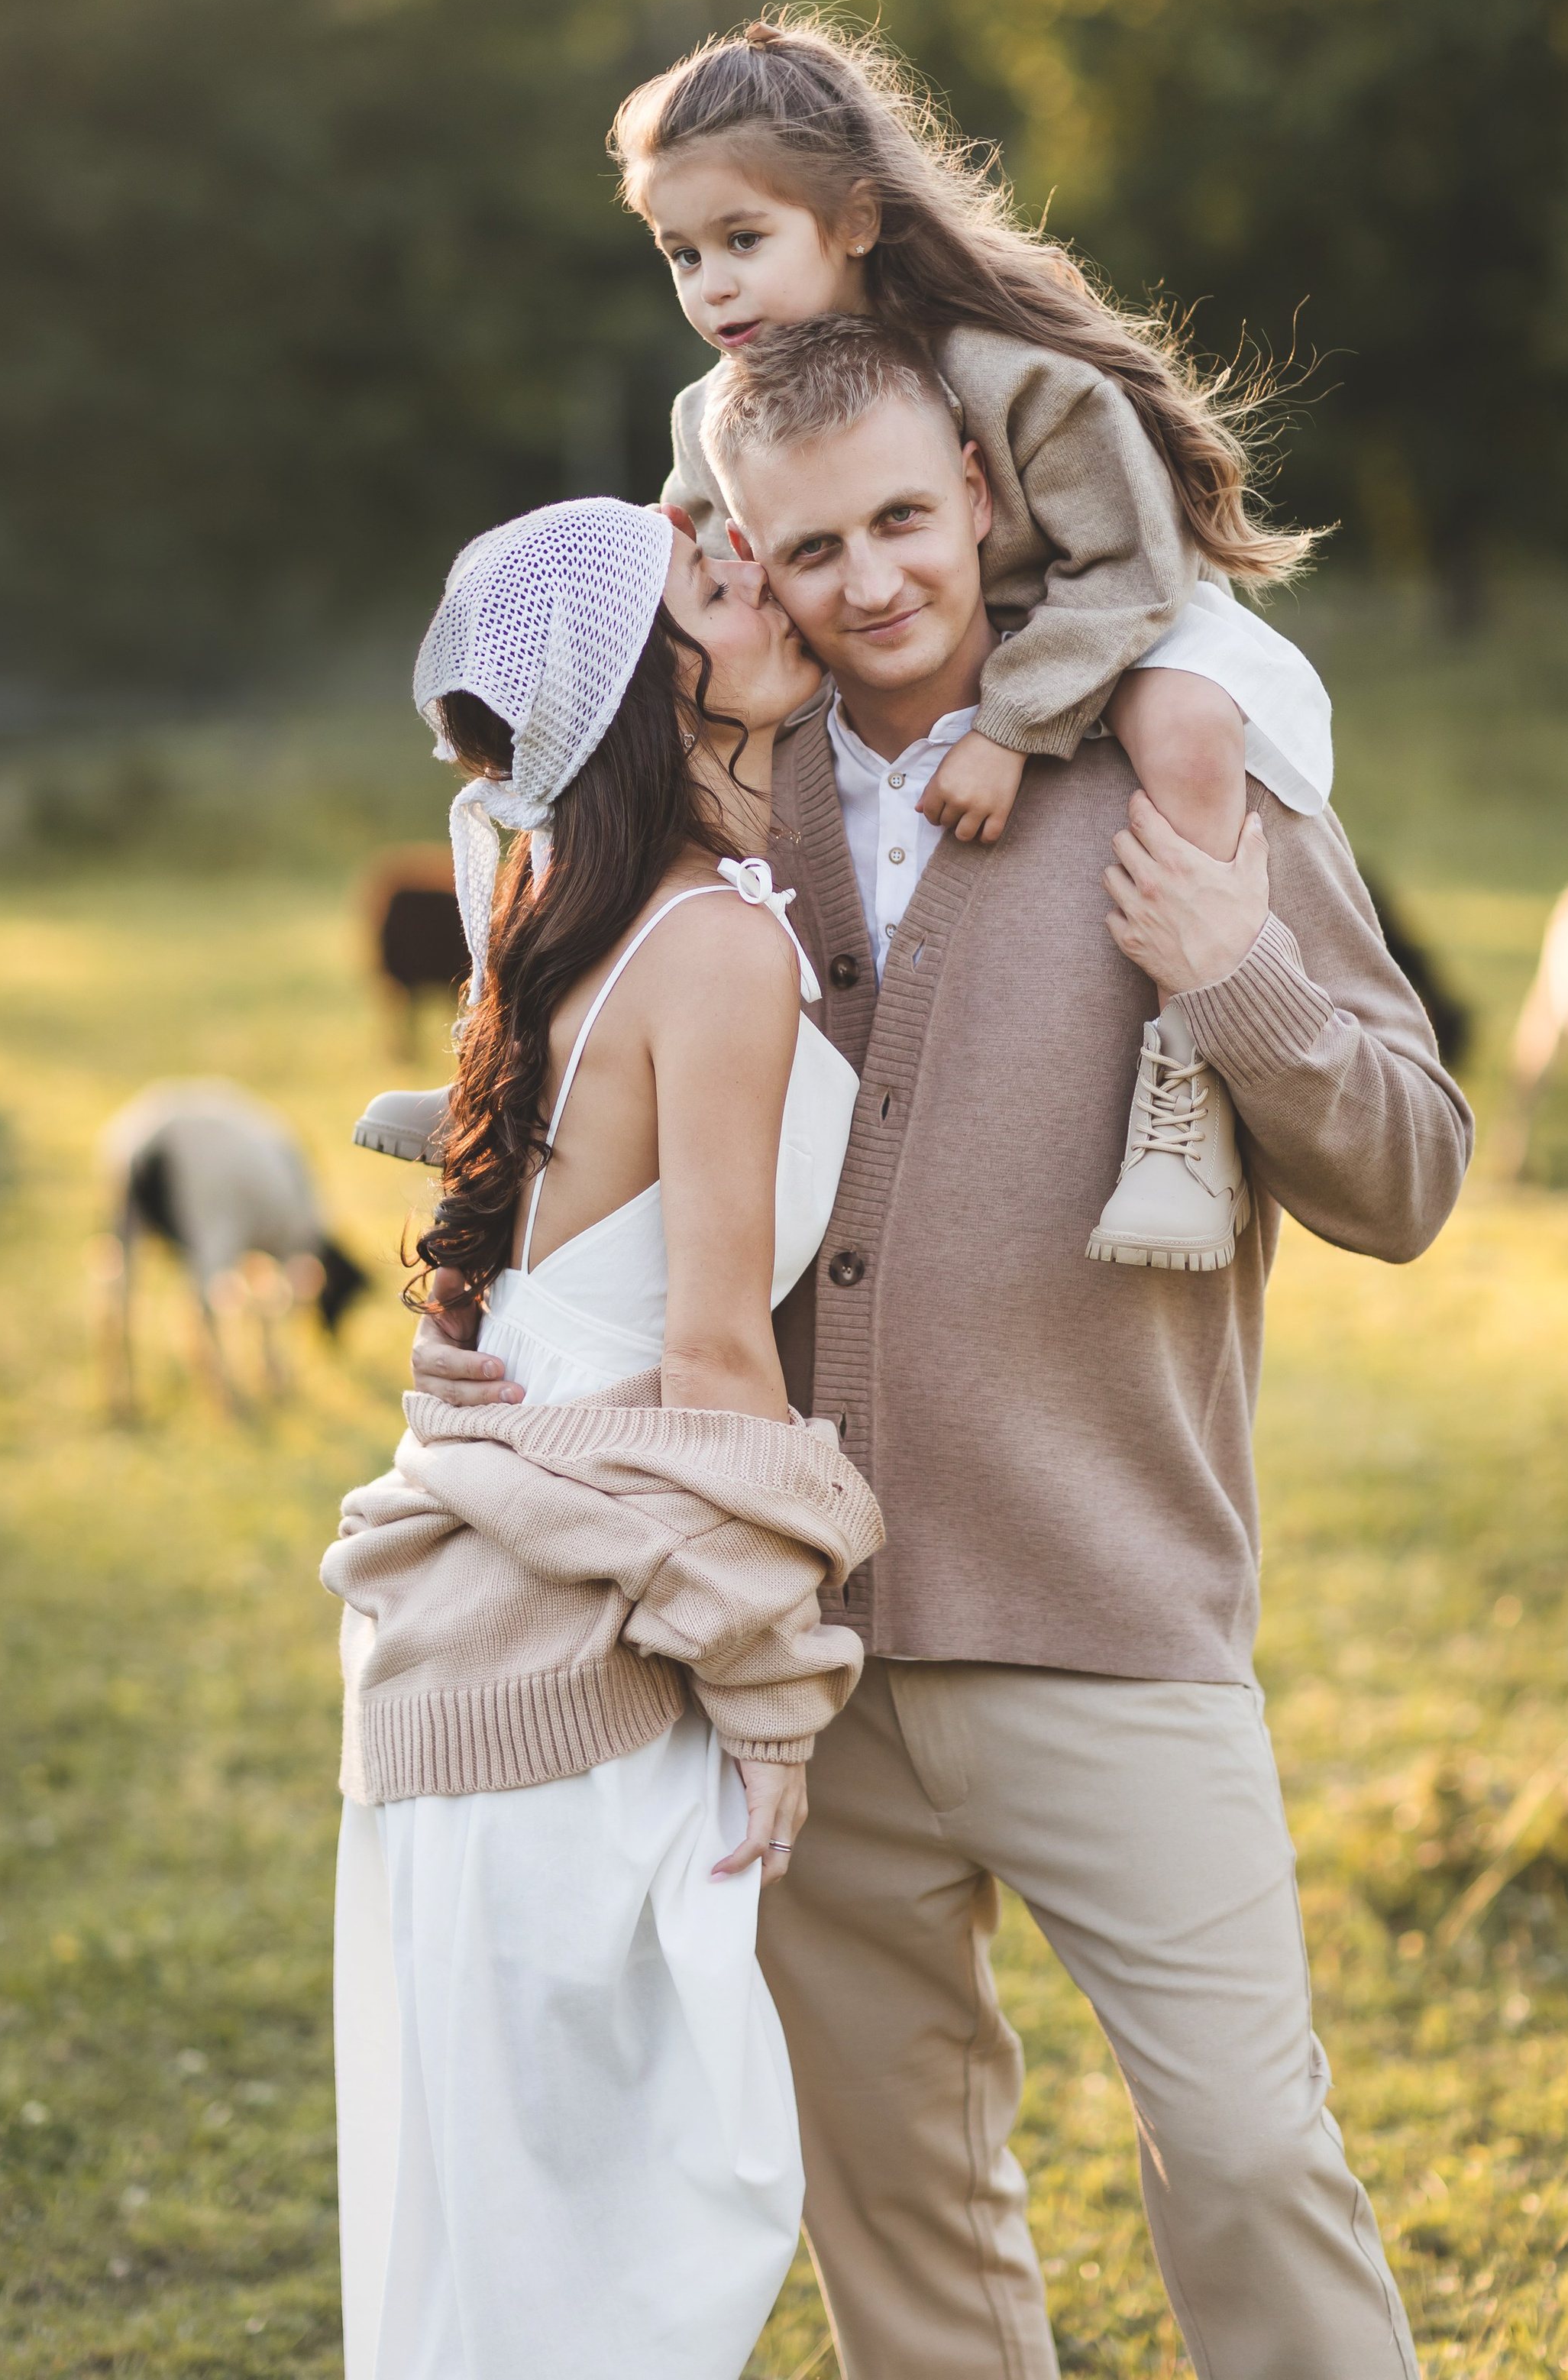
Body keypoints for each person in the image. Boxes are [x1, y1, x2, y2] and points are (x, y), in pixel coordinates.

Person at [415, 328, 1473, 2380]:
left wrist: (1235, 979)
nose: (874, 579)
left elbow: (1414, 1174)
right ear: (745, 556)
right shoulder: (716, 785)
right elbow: (567, 1092)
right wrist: (486, 1324)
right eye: (810, 547)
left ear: (984, 496)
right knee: (898, 2220)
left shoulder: (1184, 762)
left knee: (1253, 2155)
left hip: (1118, 1614)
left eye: (907, 516)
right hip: (799, 1668)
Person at [361, 13, 1333, 1274]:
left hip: (1098, 623)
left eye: (744, 242)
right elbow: (697, 587)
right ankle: (531, 1062)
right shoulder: (712, 413)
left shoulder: (1016, 377)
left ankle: (1184, 1101)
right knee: (627, 754)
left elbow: (1136, 562)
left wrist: (1010, 725)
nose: (713, 286)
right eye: (681, 254)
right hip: (890, 662)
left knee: (1190, 722)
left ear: (857, 222)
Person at [324, 496, 884, 2380]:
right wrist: (770, 1694)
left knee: (502, 2237)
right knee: (620, 2251)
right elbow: (719, 1353)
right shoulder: (714, 948)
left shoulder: (556, 907)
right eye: (723, 585)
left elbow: (531, 1291)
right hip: (571, 1651)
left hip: (482, 1621)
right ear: (659, 680)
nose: (779, 589)